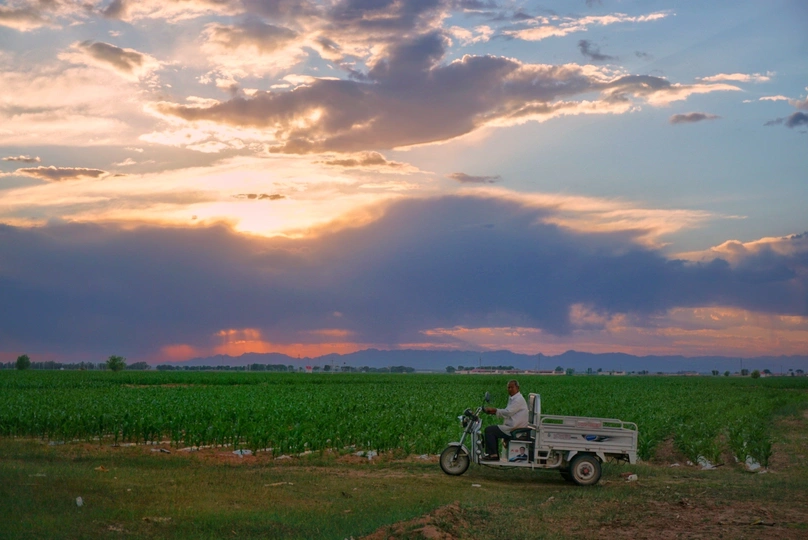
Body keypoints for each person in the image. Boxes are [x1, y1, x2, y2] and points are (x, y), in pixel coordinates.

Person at [482, 379, 528, 461]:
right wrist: (493, 412)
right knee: (492, 430)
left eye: (512, 387)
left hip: (514, 428)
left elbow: (508, 412)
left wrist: (495, 410)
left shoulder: (518, 400)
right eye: (508, 387)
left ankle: (493, 455)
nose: (510, 389)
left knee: (489, 430)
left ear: (517, 388)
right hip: (512, 426)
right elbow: (508, 412)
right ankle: (493, 454)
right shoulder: (513, 398)